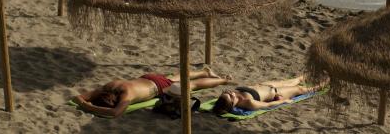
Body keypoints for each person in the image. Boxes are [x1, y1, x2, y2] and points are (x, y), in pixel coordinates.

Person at [73, 67, 232, 117]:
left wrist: (87, 106)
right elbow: (80, 97)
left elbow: (115, 113)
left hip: (158, 87)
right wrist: (83, 101)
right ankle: (203, 71)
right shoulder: (110, 85)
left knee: (192, 85)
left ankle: (223, 80)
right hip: (148, 78)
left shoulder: (126, 95)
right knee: (176, 77)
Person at [212, 75, 328, 114]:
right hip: (275, 93)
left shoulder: (235, 94)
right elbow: (267, 105)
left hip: (266, 85)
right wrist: (283, 101)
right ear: (232, 104)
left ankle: (314, 71)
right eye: (230, 95)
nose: (231, 92)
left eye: (227, 92)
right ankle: (323, 83)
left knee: (295, 79)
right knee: (300, 89)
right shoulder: (248, 103)